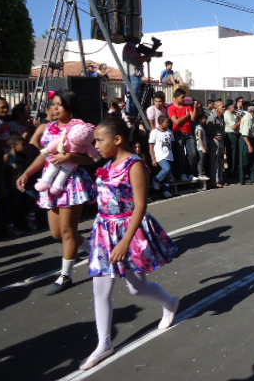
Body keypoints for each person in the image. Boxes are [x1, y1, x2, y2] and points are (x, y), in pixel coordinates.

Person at [80, 117, 178, 370]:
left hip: (127, 230)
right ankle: (104, 343)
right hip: (104, 231)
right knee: (101, 288)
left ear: (117, 139)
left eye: (99, 140)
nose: (96, 145)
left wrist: (125, 241)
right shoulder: (107, 163)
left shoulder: (134, 165)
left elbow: (140, 205)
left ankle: (170, 302)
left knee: (136, 287)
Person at [16, 91, 97, 294]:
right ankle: (95, 250)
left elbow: (92, 158)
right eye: (53, 104)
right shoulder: (49, 128)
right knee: (57, 233)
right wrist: (27, 173)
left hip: (71, 182)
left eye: (59, 104)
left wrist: (69, 157)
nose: (55, 108)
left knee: (68, 230)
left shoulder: (81, 128)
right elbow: (44, 156)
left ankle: (65, 276)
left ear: (70, 106)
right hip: (50, 180)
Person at [168, 88, 199, 181]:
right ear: (176, 98)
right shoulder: (172, 108)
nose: (184, 99)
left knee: (193, 153)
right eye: (182, 97)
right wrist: (187, 116)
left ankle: (190, 173)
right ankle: (181, 174)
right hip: (178, 133)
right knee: (180, 154)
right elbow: (176, 122)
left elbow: (193, 118)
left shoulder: (187, 106)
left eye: (184, 97)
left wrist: (195, 107)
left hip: (189, 132)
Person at [122, 40, 151, 119]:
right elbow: (137, 58)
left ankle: (133, 117)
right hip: (133, 76)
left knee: (134, 98)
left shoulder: (132, 46)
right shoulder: (130, 45)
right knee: (133, 98)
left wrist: (145, 57)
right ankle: (131, 117)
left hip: (134, 76)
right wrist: (147, 56)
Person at [149, 115, 174, 198]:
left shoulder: (169, 132)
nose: (168, 124)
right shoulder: (154, 132)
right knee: (167, 169)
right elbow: (151, 146)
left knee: (167, 174)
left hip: (169, 155)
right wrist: (153, 158)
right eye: (167, 122)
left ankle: (166, 191)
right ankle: (156, 179)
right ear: (161, 123)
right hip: (160, 156)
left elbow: (172, 142)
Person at [206, 101, 227, 187]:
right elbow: (208, 131)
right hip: (214, 141)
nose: (224, 108)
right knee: (214, 161)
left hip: (221, 140)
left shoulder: (222, 117)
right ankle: (214, 181)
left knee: (221, 161)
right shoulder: (212, 117)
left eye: (224, 107)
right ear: (216, 108)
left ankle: (220, 180)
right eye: (222, 107)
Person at [239, 104, 254, 185]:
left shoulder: (252, 118)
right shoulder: (247, 118)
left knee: (252, 160)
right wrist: (249, 146)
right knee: (245, 161)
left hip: (252, 139)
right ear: (253, 111)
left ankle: (252, 177)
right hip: (246, 140)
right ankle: (243, 179)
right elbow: (245, 134)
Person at [224, 101, 242, 180]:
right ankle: (232, 171)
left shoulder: (233, 114)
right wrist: (241, 121)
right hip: (231, 135)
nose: (235, 109)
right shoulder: (228, 114)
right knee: (233, 154)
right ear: (229, 108)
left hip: (236, 134)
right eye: (234, 107)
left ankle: (235, 170)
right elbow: (234, 126)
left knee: (236, 154)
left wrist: (238, 118)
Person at [195, 113, 210, 181]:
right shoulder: (199, 128)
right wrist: (203, 148)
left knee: (203, 160)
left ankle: (202, 173)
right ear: (200, 120)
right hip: (200, 147)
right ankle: (200, 174)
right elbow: (200, 138)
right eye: (204, 118)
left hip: (203, 147)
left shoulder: (202, 127)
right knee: (201, 160)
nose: (205, 120)